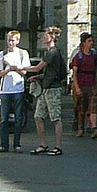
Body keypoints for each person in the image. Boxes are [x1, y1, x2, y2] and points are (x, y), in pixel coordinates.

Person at [25, 26, 67, 155]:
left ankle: (58, 147)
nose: (43, 37)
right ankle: (43, 144)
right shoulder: (51, 52)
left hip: (53, 89)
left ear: (52, 37)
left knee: (55, 118)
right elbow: (48, 73)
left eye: (46, 35)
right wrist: (36, 77)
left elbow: (38, 67)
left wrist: (20, 67)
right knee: (38, 116)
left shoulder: (52, 52)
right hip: (46, 88)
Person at [0, 29, 30, 152]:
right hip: (5, 90)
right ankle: (4, 144)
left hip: (18, 88)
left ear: (17, 41)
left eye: (13, 40)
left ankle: (17, 144)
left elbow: (24, 71)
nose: (10, 43)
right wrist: (8, 69)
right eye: (9, 40)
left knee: (18, 117)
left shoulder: (23, 53)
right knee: (3, 118)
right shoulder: (1, 54)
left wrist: (15, 68)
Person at [70, 32, 97, 139]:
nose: (91, 43)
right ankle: (81, 128)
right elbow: (74, 73)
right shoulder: (78, 56)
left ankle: (94, 128)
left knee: (93, 108)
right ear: (83, 43)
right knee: (81, 109)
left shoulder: (95, 55)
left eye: (92, 41)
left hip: (92, 85)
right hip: (81, 84)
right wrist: (77, 87)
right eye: (89, 41)